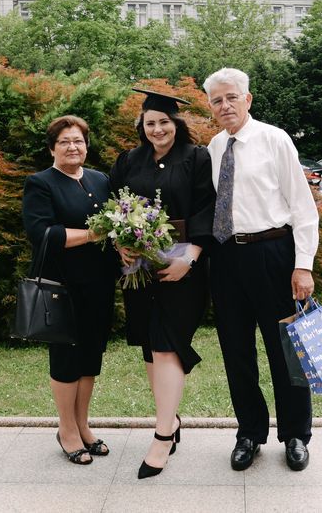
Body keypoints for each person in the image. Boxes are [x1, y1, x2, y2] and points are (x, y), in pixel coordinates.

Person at [203, 68, 319, 472]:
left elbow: (303, 207)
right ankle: (249, 433)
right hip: (227, 258)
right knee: (236, 351)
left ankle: (296, 435)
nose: (225, 106)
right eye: (217, 101)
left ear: (248, 99)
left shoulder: (274, 139)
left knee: (286, 350)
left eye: (231, 97)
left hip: (272, 253)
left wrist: (303, 266)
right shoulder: (215, 146)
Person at [108, 89, 215, 479]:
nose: (157, 129)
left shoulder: (197, 158)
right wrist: (118, 243)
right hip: (138, 266)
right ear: (142, 126)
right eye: (150, 123)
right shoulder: (129, 160)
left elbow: (208, 208)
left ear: (176, 123)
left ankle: (162, 435)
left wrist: (191, 258)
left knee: (167, 343)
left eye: (164, 122)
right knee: (150, 346)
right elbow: (112, 205)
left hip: (182, 265)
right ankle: (171, 419)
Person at [22, 115, 120, 466]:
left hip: (99, 284)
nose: (72, 147)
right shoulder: (40, 183)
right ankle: (66, 430)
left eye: (78, 140)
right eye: (64, 141)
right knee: (66, 358)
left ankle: (83, 425)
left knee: (91, 355)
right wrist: (95, 233)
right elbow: (43, 234)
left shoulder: (99, 179)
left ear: (86, 146)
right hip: (62, 287)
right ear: (52, 148)